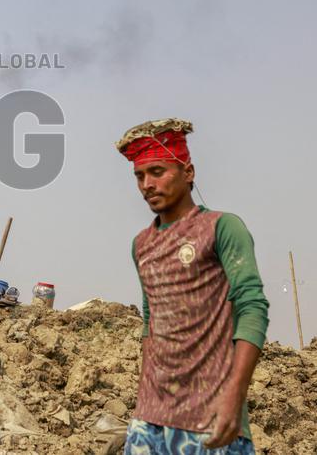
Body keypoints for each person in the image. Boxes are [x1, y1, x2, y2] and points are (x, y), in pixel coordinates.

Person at [117, 119, 269, 454]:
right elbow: (150, 320)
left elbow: (253, 307)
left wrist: (235, 395)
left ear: (188, 172)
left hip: (209, 416)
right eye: (140, 176)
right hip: (150, 422)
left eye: (157, 172)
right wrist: (142, 403)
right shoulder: (141, 244)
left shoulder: (222, 228)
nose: (147, 184)